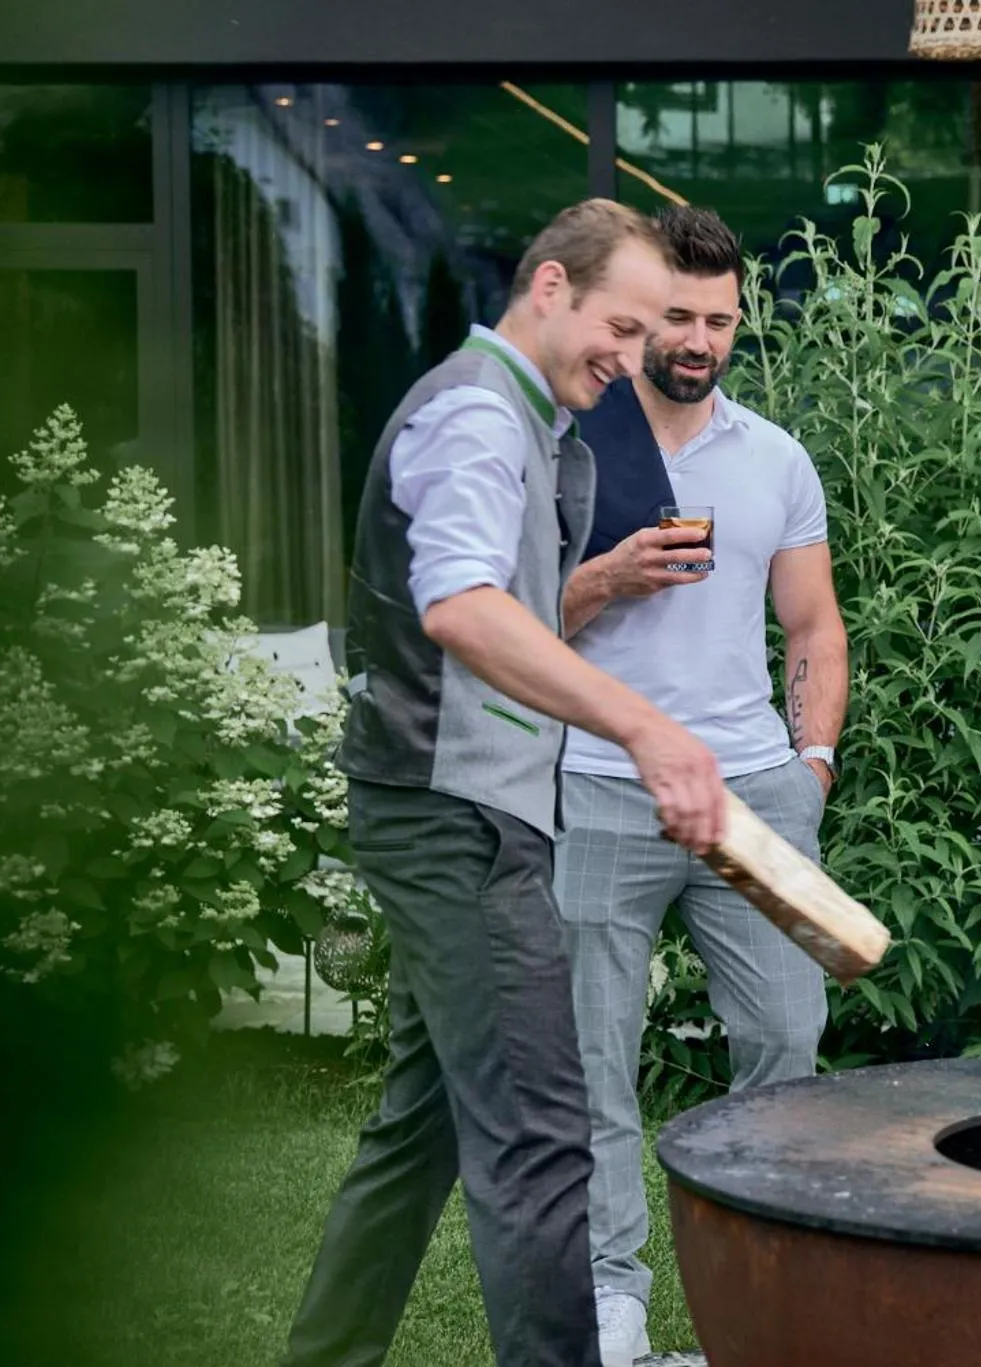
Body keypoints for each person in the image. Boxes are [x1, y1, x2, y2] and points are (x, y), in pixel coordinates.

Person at [283, 200, 727, 1367]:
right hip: (455, 817)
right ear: (546, 288)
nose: (629, 359)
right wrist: (644, 727)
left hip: (463, 807)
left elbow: (507, 610)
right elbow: (462, 605)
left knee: (422, 1132)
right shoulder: (479, 416)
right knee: (540, 1132)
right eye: (619, 327)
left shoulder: (523, 422)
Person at [554, 206, 848, 1367]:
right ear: (635, 315)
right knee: (592, 1052)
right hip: (597, 781)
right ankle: (609, 1296)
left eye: (719, 318)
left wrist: (808, 767)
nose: (699, 337)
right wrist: (603, 579)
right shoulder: (570, 443)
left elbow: (815, 627)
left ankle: (760, 1287)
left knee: (789, 1031)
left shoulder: (772, 456)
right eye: (677, 315)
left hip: (750, 794)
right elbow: (507, 619)